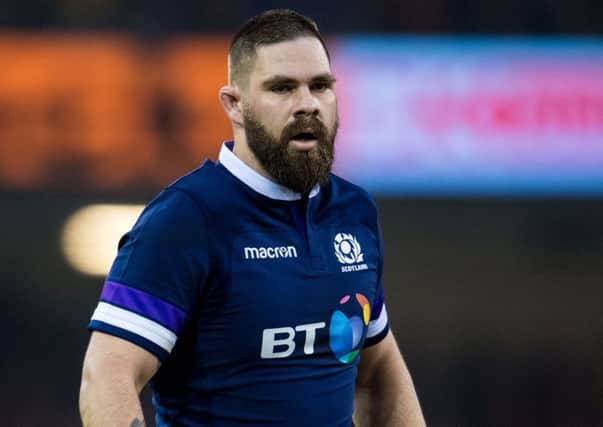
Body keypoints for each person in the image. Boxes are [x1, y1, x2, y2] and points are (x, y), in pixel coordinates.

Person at [79, 9, 425, 427]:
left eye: (320, 86)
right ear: (234, 104)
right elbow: (107, 373)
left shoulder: (354, 213)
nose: (307, 105)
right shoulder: (187, 219)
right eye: (282, 88)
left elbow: (375, 371)